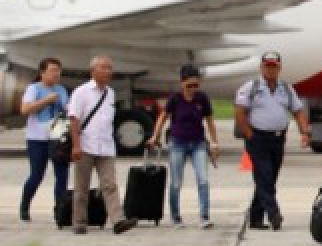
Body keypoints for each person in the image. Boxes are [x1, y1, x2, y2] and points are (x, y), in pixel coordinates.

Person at [234, 51, 311, 230]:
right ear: (261, 68)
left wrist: (304, 132)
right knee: (265, 175)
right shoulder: (251, 87)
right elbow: (239, 111)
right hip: (257, 137)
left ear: (279, 68)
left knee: (268, 178)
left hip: (277, 138)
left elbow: (298, 111)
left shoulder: (286, 89)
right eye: (267, 66)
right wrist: (249, 134)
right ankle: (273, 213)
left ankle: (255, 218)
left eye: (274, 66)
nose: (270, 70)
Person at [68, 55, 138, 235]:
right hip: (86, 145)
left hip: (106, 146)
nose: (109, 71)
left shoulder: (110, 93)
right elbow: (74, 119)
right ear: (93, 71)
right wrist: (76, 145)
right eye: (104, 68)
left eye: (110, 68)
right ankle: (80, 222)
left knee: (110, 185)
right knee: (82, 187)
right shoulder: (81, 92)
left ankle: (118, 221)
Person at [149, 65, 219, 229]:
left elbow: (209, 121)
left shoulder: (202, 98)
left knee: (203, 180)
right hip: (178, 143)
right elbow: (163, 117)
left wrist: (214, 143)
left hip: (198, 143)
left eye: (196, 85)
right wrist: (155, 135)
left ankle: (204, 216)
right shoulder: (175, 98)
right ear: (182, 83)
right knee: (176, 182)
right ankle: (176, 217)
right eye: (190, 85)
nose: (193, 89)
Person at [19, 57, 71, 222]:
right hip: (37, 138)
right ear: (42, 73)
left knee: (62, 175)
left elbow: (68, 112)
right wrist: (45, 101)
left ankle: (60, 210)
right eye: (53, 71)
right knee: (36, 175)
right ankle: (25, 205)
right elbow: (25, 109)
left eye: (58, 71)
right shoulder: (34, 88)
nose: (56, 74)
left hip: (58, 138)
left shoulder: (62, 89)